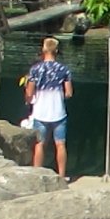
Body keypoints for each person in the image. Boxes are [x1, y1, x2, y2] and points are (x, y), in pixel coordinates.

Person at [24, 36, 73, 178]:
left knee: (39, 144)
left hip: (40, 112)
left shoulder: (35, 69)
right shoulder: (64, 69)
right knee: (60, 144)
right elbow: (69, 93)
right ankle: (62, 175)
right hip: (59, 112)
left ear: (43, 49)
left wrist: (28, 98)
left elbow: (29, 92)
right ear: (56, 50)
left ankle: (36, 175)